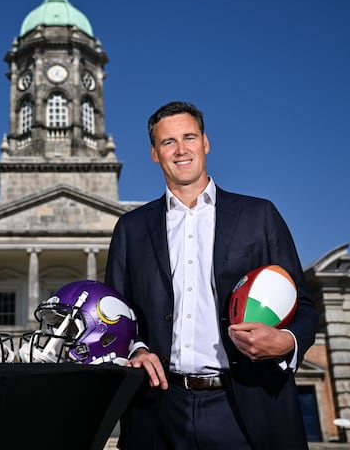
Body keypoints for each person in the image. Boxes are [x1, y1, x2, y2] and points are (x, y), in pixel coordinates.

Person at [105, 101, 318, 450]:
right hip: (161, 406)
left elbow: (305, 305)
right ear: (155, 154)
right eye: (168, 142)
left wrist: (287, 342)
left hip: (245, 402)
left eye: (189, 137)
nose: (180, 150)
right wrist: (137, 348)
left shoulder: (259, 215)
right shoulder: (131, 228)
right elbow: (115, 312)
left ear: (205, 142)